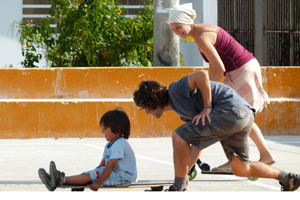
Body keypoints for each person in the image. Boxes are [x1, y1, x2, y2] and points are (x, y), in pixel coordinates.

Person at [133, 70, 300, 191]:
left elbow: (202, 75)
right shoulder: (182, 112)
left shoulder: (176, 90)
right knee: (241, 168)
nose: (147, 112)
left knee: (178, 135)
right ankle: (288, 178)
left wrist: (206, 107)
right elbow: (198, 145)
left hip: (231, 111)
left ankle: (178, 185)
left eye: (145, 107)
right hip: (243, 116)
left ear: (152, 101)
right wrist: (185, 172)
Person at [168, 3, 275, 173]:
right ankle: (262, 155)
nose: (176, 32)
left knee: (235, 114)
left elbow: (219, 69)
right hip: (243, 67)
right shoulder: (200, 32)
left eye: (178, 27)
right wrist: (207, 87)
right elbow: (214, 66)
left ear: (188, 22)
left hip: (241, 69)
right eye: (173, 29)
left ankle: (239, 160)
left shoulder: (201, 37)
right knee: (241, 114)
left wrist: (206, 97)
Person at [38, 108, 137, 191]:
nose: (102, 131)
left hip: (123, 178)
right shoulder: (109, 145)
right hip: (115, 175)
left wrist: (97, 182)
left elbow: (110, 166)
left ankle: (58, 179)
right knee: (88, 174)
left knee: (95, 174)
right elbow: (102, 165)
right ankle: (55, 180)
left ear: (118, 129)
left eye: (105, 128)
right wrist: (91, 174)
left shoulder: (120, 144)